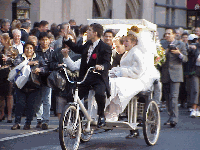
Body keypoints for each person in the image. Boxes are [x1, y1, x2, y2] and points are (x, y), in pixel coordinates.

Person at [63, 23, 112, 128]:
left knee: (100, 94)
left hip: (98, 77)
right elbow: (77, 49)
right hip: (86, 77)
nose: (87, 32)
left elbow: (108, 63)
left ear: (95, 33)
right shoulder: (88, 43)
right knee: (72, 95)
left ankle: (101, 115)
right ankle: (75, 116)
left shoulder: (105, 47)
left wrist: (101, 66)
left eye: (89, 30)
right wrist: (67, 38)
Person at [11, 42, 47, 130]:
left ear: (33, 49)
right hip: (21, 85)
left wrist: (39, 69)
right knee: (20, 104)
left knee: (31, 106)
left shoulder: (38, 57)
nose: (29, 50)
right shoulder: (20, 57)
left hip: (34, 85)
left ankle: (28, 123)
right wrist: (28, 63)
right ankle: (17, 122)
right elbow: (16, 65)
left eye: (31, 48)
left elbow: (45, 67)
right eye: (27, 48)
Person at [161, 28, 188, 127]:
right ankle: (170, 116)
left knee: (174, 97)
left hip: (176, 74)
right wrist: (165, 52)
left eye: (169, 33)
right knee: (167, 98)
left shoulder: (181, 44)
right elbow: (159, 59)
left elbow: (185, 59)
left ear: (173, 35)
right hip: (165, 74)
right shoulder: (162, 44)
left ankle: (174, 119)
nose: (167, 35)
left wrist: (179, 54)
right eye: (166, 34)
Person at [35, 32, 54, 130]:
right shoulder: (35, 51)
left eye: (46, 39)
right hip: (35, 79)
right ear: (39, 40)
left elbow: (51, 66)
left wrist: (41, 69)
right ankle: (39, 119)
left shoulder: (52, 52)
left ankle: (45, 120)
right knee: (37, 100)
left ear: (49, 40)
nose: (44, 42)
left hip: (47, 78)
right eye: (42, 39)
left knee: (47, 100)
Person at [0, 37, 18, 122]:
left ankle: (10, 115)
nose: (1, 41)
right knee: (1, 96)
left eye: (2, 39)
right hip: (1, 74)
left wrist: (8, 59)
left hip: (10, 74)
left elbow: (17, 61)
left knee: (9, 95)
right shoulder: (1, 50)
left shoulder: (13, 50)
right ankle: (2, 113)